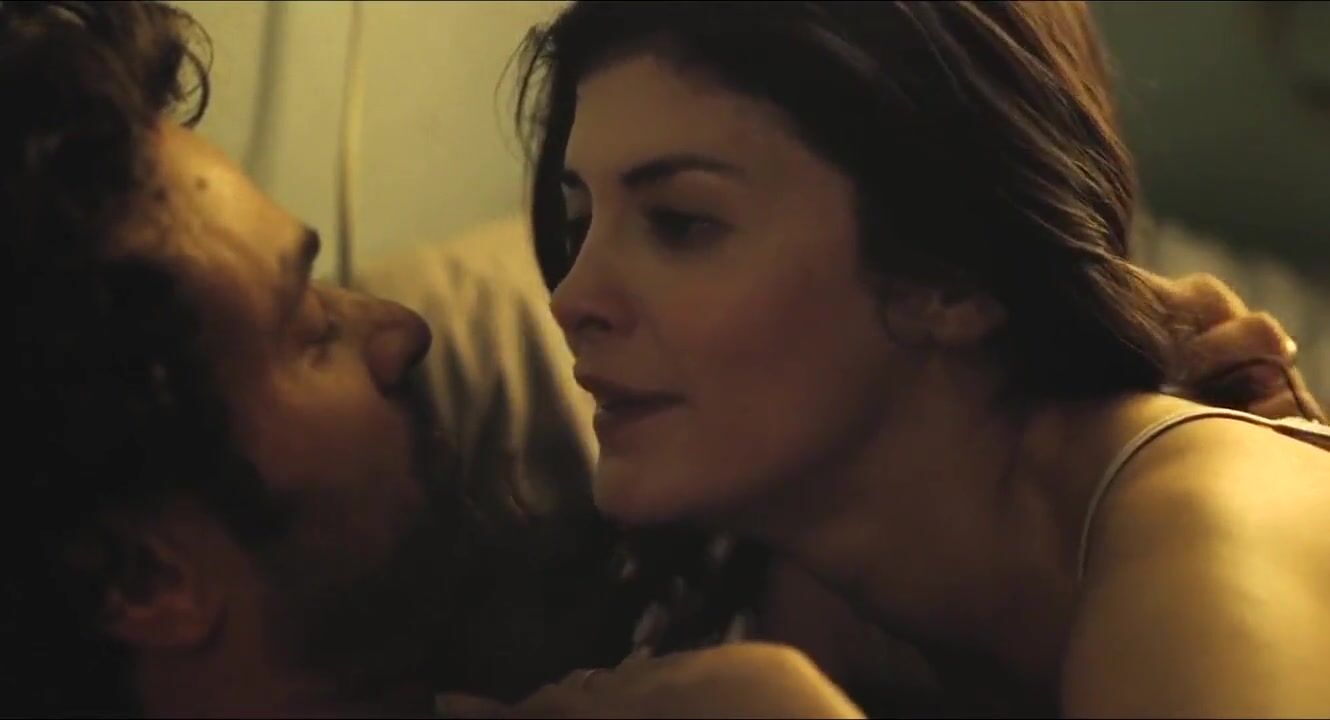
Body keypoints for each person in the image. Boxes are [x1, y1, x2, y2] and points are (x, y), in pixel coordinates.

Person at [466, 0, 1330, 716]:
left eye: (681, 223)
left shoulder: (1210, 526)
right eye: (579, 225)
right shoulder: (765, 583)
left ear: (951, 276)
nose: (571, 300)